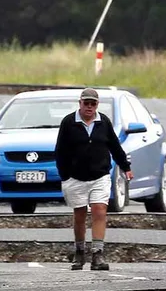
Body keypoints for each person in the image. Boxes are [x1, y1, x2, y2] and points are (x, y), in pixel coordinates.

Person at [54, 88, 134, 271]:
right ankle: (80, 252)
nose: (89, 107)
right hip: (75, 177)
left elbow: (114, 146)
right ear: (80, 103)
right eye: (86, 103)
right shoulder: (68, 122)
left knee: (99, 210)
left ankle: (97, 255)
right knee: (80, 214)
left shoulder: (103, 122)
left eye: (93, 104)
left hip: (100, 175)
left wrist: (126, 167)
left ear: (97, 105)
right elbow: (60, 151)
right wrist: (64, 175)